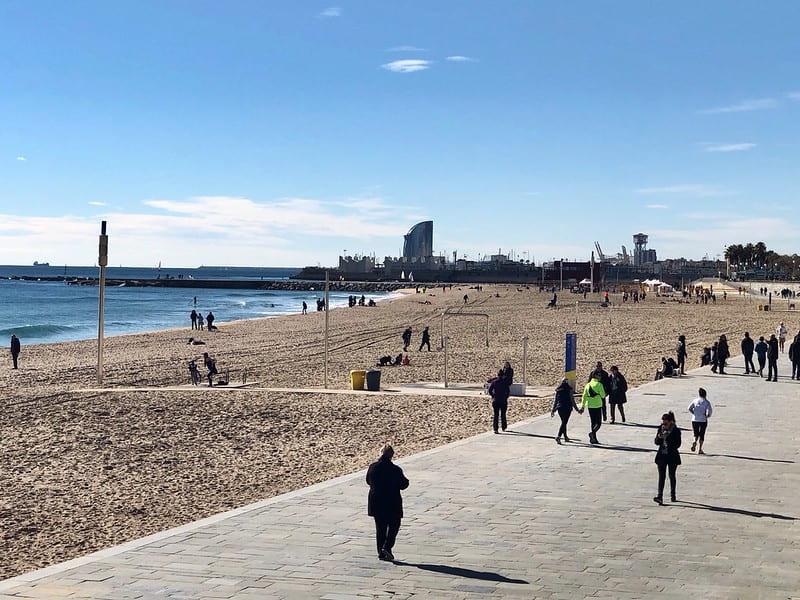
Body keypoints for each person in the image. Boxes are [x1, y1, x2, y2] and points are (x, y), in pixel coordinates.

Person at [366, 443, 409, 562]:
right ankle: (387, 547)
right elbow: (404, 484)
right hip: (392, 502)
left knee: (380, 528)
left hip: (376, 502)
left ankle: (381, 552)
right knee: (394, 525)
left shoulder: (373, 467)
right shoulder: (395, 469)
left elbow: (368, 481)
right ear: (391, 456)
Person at [653, 411, 681, 505]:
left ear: (670, 422)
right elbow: (656, 442)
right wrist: (660, 438)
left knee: (671, 475)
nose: (664, 425)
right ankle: (660, 496)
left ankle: (673, 494)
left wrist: (667, 438)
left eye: (666, 423)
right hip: (662, 456)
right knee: (662, 476)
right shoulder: (660, 428)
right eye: (663, 422)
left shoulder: (676, 431)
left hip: (672, 456)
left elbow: (677, 444)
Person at [551, 379, 580, 443]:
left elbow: (555, 400)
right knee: (564, 422)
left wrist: (553, 409)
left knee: (564, 422)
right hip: (567, 408)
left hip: (560, 408)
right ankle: (558, 436)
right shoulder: (569, 389)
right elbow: (572, 400)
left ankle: (565, 436)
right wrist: (577, 409)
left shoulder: (558, 390)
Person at [579, 372, 605, 444]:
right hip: (597, 405)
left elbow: (584, 396)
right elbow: (603, 395)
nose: (600, 377)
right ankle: (592, 433)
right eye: (599, 375)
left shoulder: (587, 385)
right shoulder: (599, 384)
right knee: (598, 423)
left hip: (590, 405)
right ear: (596, 376)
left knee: (593, 422)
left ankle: (594, 439)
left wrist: (583, 406)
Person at [688, 388, 713, 454]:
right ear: (705, 394)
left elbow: (689, 408)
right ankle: (700, 449)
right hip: (703, 420)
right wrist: (707, 416)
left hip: (694, 419)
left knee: (695, 433)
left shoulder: (695, 400)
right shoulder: (707, 402)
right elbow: (709, 411)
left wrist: (694, 413)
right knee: (702, 434)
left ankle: (694, 441)